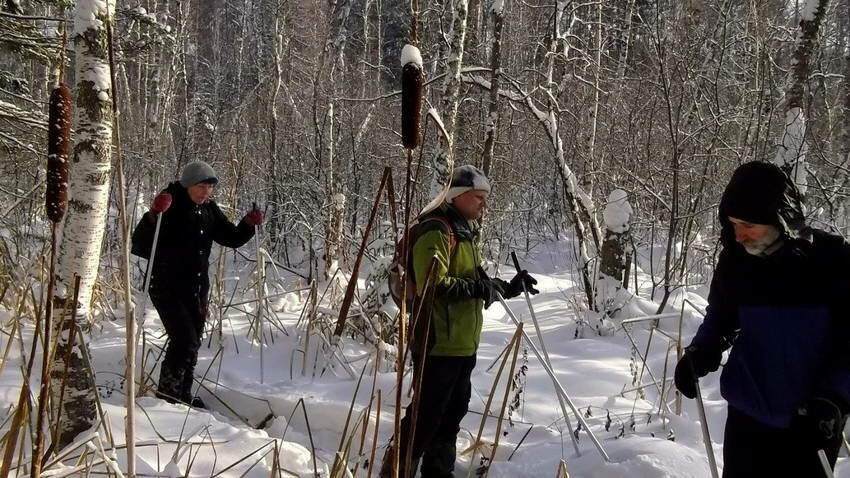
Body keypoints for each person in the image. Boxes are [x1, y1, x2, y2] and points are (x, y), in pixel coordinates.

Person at [674, 162, 849, 477]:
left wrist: (834, 399)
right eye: (732, 224)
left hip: (810, 419)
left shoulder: (833, 261)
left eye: (747, 225)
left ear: (779, 219)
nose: (738, 235)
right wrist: (702, 351)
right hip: (747, 413)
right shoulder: (736, 262)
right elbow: (721, 317)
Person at [380, 165, 539, 478]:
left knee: (452, 413)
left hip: (463, 342)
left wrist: (509, 287)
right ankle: (396, 472)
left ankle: (438, 472)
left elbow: (471, 279)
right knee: (425, 416)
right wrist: (479, 288)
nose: (483, 203)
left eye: (484, 197)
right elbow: (432, 285)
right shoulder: (437, 229)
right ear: (458, 195)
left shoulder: (463, 230)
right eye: (478, 197)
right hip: (437, 340)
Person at [131, 161, 263, 407]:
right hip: (167, 285)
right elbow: (139, 243)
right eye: (201, 186)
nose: (206, 192)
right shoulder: (169, 204)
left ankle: (183, 395)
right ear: (187, 185)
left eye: (210, 187)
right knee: (184, 340)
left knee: (192, 343)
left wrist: (247, 224)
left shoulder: (209, 210)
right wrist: (153, 216)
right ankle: (168, 396)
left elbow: (230, 238)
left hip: (197, 287)